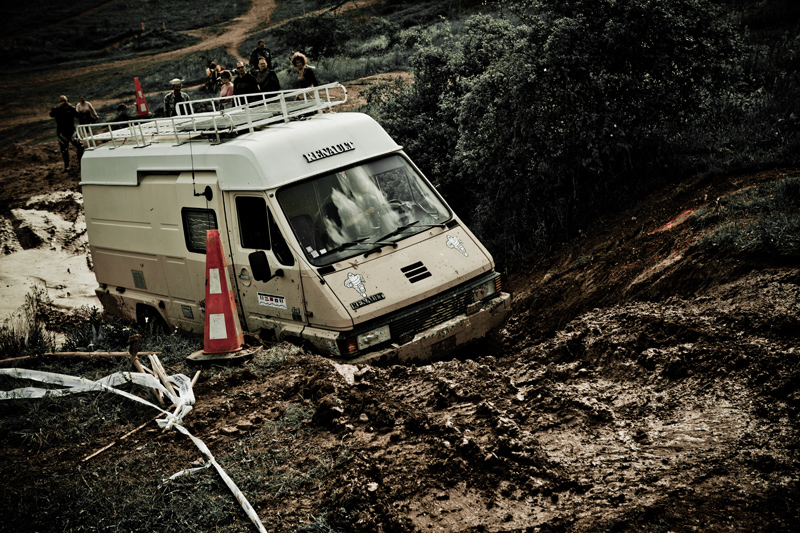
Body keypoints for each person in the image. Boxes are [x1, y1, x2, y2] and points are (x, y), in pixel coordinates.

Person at [49, 95, 84, 172]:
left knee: (78, 147)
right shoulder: (58, 109)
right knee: (65, 149)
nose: (64, 103)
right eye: (63, 101)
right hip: (64, 132)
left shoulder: (69, 108)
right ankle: (68, 167)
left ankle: (79, 165)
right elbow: (51, 114)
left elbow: (78, 115)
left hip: (69, 131)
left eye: (65, 101)